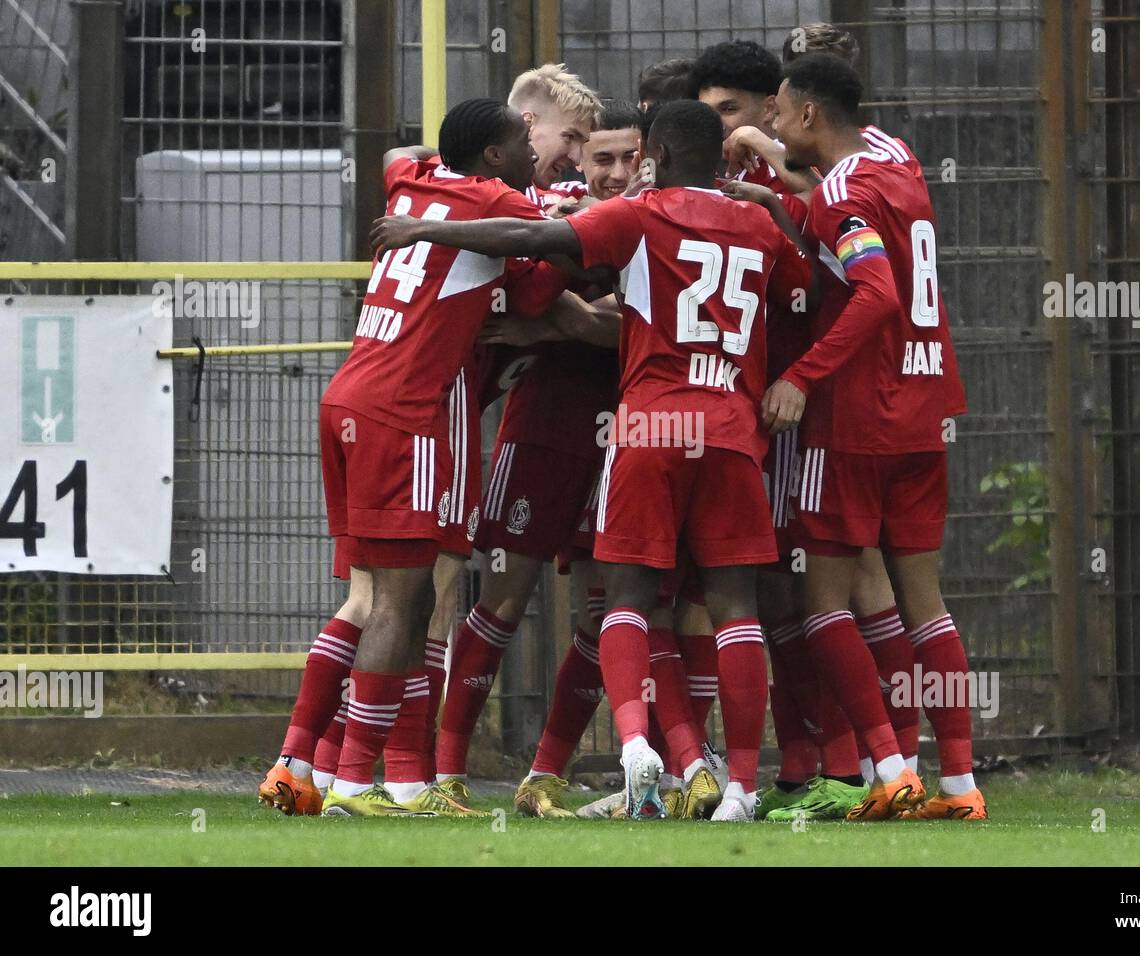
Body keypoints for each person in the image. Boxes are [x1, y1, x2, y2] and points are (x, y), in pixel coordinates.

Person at [371, 99, 810, 822]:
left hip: (647, 426)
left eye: (627, 157)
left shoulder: (635, 215)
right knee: (729, 608)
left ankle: (640, 751)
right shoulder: (757, 224)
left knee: (625, 601)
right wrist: (778, 205)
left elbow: (535, 243)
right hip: (720, 426)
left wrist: (429, 229)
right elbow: (807, 289)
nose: (614, 169)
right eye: (597, 155)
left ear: (654, 156)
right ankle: (739, 786)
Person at [313, 98, 569, 816]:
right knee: (400, 600)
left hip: (350, 395)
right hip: (405, 411)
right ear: (494, 156)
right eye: (525, 139)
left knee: (409, 595)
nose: (533, 149)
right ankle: (353, 781)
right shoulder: (496, 201)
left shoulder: (414, 181)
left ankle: (393, 779)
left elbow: (400, 160)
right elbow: (547, 262)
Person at [764, 54, 984, 820]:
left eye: (780, 113)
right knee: (927, 604)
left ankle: (889, 768)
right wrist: (770, 169)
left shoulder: (837, 195)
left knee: (822, 602)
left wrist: (803, 376)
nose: (773, 123)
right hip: (926, 410)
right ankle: (959, 784)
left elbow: (875, 291)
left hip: (856, 420)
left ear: (811, 117)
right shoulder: (897, 159)